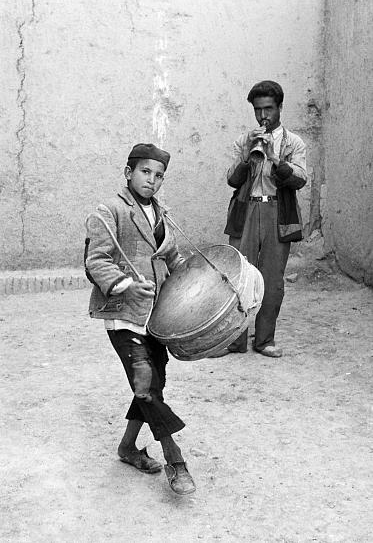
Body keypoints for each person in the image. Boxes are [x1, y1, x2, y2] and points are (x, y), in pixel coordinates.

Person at [84, 143, 196, 496]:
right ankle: (175, 460)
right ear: (128, 172)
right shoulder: (109, 211)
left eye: (159, 175)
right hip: (123, 315)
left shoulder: (163, 214)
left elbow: (174, 258)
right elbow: (95, 261)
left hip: (156, 315)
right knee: (146, 384)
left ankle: (128, 448)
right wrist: (125, 286)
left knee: (151, 386)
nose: (152, 180)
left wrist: (197, 286)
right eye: (145, 172)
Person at [220, 80, 307, 358]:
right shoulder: (244, 140)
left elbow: (300, 180)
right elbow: (232, 180)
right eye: (257, 110)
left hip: (277, 214)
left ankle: (264, 340)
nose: (262, 116)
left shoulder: (293, 143)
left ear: (280, 107)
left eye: (268, 109)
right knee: (239, 278)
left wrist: (273, 158)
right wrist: (248, 156)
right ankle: (235, 341)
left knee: (271, 280)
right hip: (246, 212)